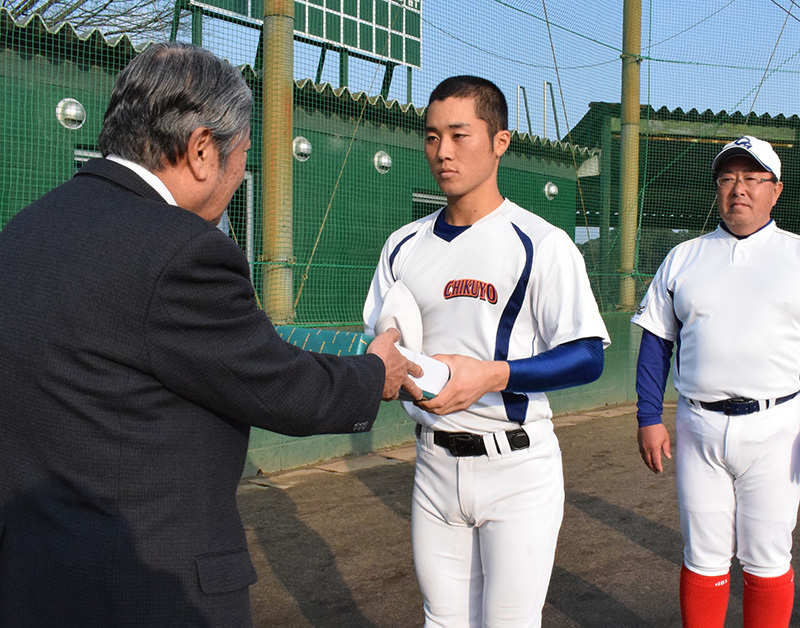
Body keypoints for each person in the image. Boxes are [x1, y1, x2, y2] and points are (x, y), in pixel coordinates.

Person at [0, 42, 422, 627]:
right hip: (146, 593)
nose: (237, 179)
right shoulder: (183, 251)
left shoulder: (24, 231)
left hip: (35, 580)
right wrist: (377, 372)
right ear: (202, 150)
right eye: (241, 160)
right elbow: (281, 387)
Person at [363, 75, 610, 627]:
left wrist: (492, 375)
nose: (442, 152)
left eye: (459, 134)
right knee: (442, 622)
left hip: (517, 467)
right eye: (431, 137)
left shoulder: (540, 243)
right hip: (432, 460)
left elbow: (588, 355)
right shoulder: (402, 245)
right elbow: (385, 342)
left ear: (500, 141)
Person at [631, 135, 800, 628]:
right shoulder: (685, 256)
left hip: (778, 425)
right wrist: (648, 417)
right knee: (702, 554)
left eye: (752, 178)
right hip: (698, 425)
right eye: (727, 178)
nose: (738, 189)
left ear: (777, 189)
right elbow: (656, 342)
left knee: (767, 555)